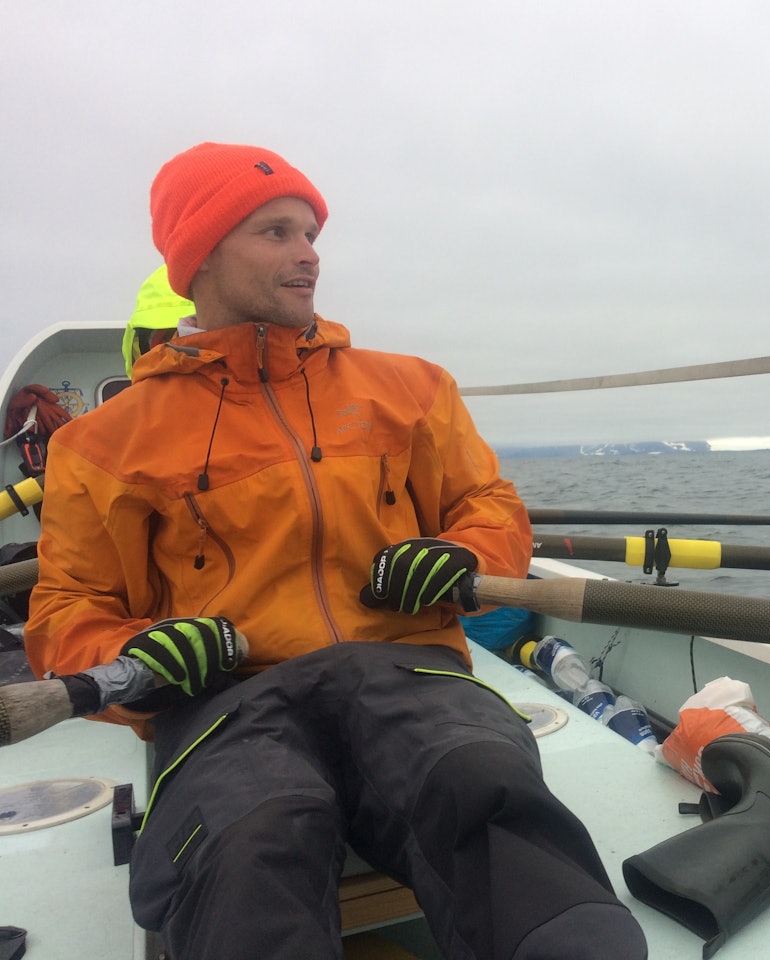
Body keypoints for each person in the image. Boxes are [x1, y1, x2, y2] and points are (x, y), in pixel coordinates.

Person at [25, 142, 647, 960]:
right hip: (226, 700)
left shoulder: (412, 388)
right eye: (277, 232)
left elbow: (486, 506)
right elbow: (68, 609)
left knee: (480, 783)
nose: (309, 253)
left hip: (407, 673)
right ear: (201, 255)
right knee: (252, 837)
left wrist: (463, 556)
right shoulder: (104, 443)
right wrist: (137, 653)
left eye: (312, 233)